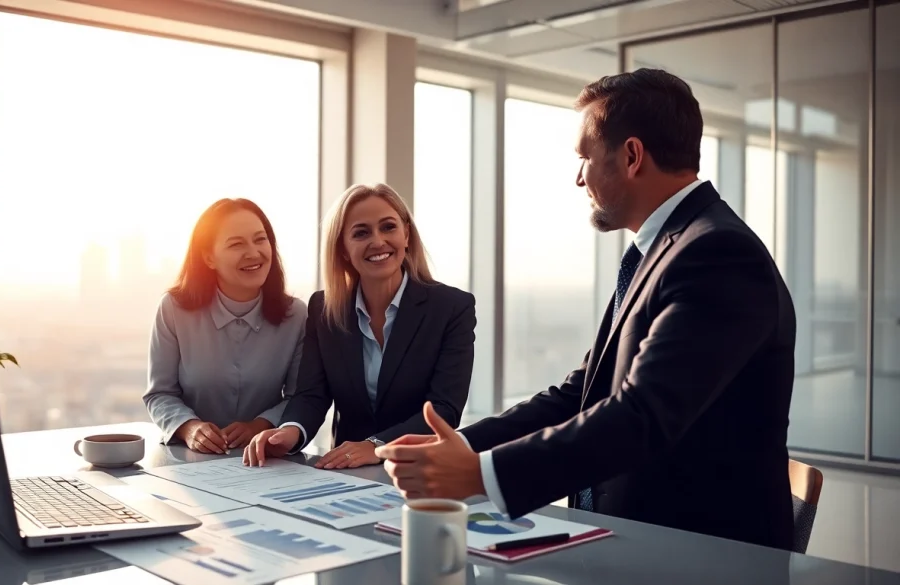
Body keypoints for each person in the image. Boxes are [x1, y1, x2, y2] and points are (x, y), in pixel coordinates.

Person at [376, 69, 797, 552]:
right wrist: (461, 447)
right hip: (638, 541)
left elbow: (643, 415)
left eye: (585, 157)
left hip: (698, 553)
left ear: (632, 156)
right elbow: (581, 393)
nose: (579, 177)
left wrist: (479, 474)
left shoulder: (716, 253)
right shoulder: (664, 249)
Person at [243, 183, 476, 469]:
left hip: (422, 469)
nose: (377, 241)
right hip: (348, 474)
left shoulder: (451, 307)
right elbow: (312, 395)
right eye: (361, 233)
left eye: (388, 227)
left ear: (406, 235)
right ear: (342, 249)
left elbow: (444, 410)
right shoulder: (324, 308)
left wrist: (377, 446)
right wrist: (288, 433)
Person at [144, 198, 306, 454]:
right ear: (209, 257)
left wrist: (260, 425)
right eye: (236, 244)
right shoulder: (173, 309)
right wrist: (189, 428)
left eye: (260, 239)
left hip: (267, 460)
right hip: (190, 461)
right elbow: (160, 393)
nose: (253, 253)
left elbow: (301, 396)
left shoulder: (296, 315)